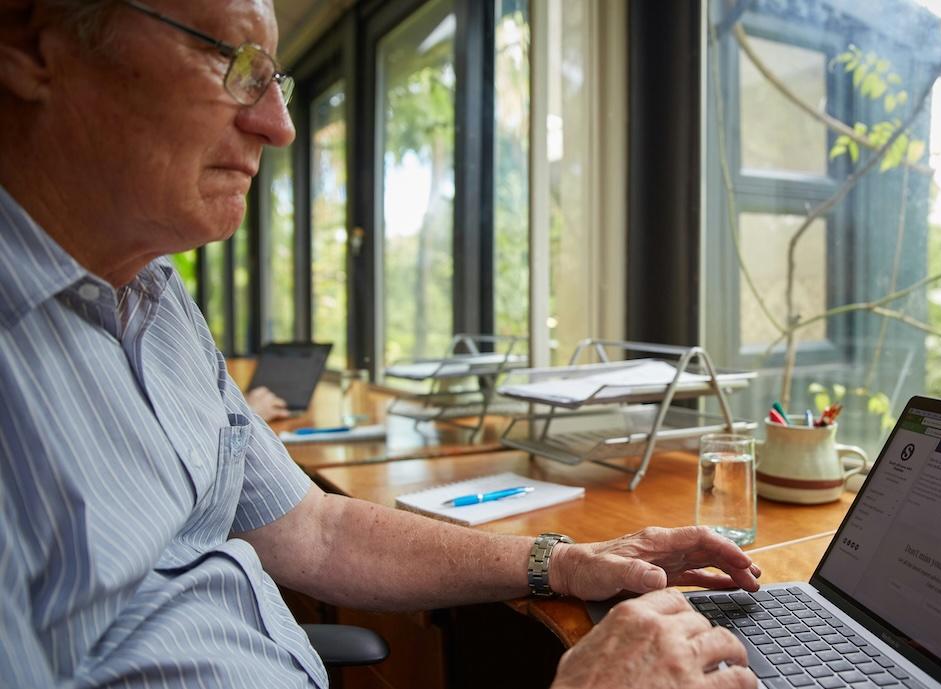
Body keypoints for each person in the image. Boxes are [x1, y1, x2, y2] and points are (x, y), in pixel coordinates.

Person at [0, 2, 759, 688]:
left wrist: (559, 559)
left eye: (276, 82)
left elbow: (315, 528)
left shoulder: (155, 298)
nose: (278, 124)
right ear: (33, 42)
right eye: (233, 63)